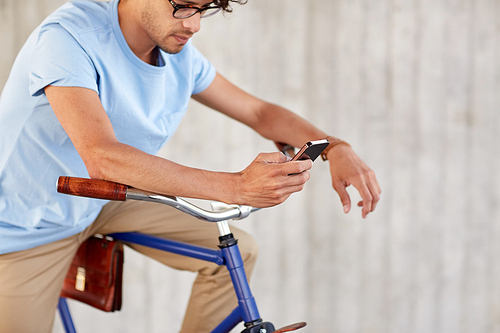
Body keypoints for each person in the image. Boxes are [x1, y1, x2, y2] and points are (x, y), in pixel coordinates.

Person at [0, 0, 381, 332]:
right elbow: (102, 156)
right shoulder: (67, 38)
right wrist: (236, 186)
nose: (194, 25)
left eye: (204, 9)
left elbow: (259, 112)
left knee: (237, 252)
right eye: (182, 5)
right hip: (24, 224)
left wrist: (336, 147)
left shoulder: (178, 55)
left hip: (101, 201)